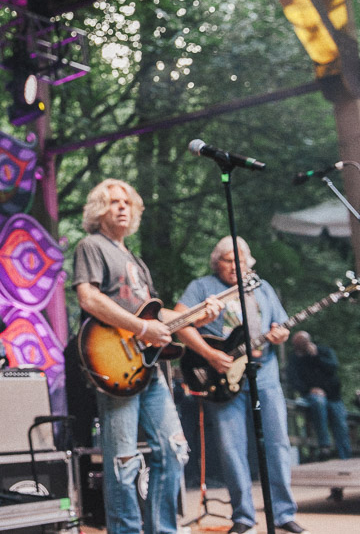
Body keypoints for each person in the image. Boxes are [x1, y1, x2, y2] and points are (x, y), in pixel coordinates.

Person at [72, 178, 221, 534]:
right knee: (123, 460)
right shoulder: (91, 246)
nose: (121, 207)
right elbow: (89, 298)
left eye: (127, 202)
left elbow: (155, 316)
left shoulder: (135, 261)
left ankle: (163, 529)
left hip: (150, 369)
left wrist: (198, 315)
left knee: (174, 450)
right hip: (115, 365)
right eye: (112, 202)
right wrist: (141, 330)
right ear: (98, 210)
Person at [175, 237, 307, 534]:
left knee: (277, 445)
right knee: (231, 447)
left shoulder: (263, 287)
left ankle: (283, 513)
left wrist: (280, 335)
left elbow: (281, 326)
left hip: (266, 376)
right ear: (216, 263)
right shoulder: (202, 287)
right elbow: (179, 322)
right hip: (221, 379)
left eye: (240, 259)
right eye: (227, 260)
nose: (235, 265)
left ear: (250, 262)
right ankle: (243, 516)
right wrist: (209, 354)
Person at [288, 330, 352, 460]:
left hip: (333, 395)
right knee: (318, 403)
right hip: (312, 395)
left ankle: (345, 455)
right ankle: (324, 446)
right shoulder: (295, 359)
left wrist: (316, 356)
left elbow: (333, 368)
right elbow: (293, 380)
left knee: (340, 422)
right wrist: (309, 390)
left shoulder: (324, 352)